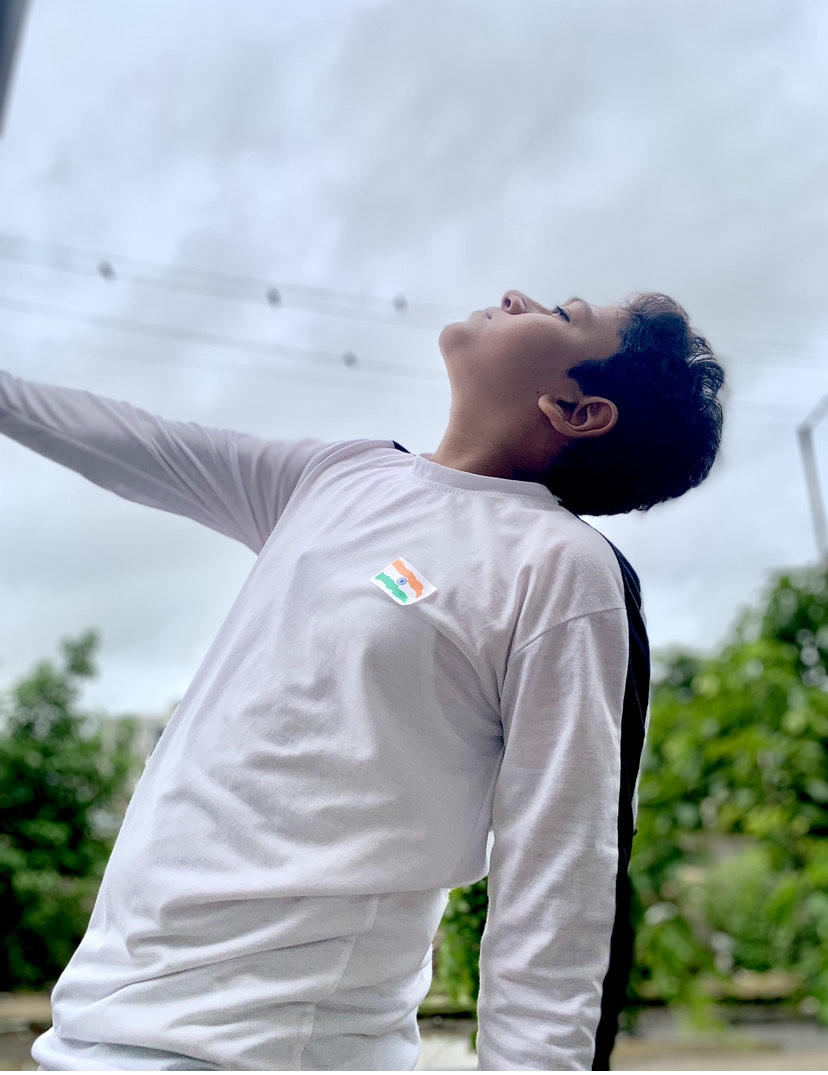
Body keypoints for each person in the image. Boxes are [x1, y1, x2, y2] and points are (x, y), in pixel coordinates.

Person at [0, 287, 724, 1071]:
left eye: (562, 316)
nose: (517, 295)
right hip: (94, 1023)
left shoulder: (561, 570)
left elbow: (560, 879)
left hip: (273, 1049)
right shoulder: (341, 473)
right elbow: (139, 442)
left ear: (577, 410)